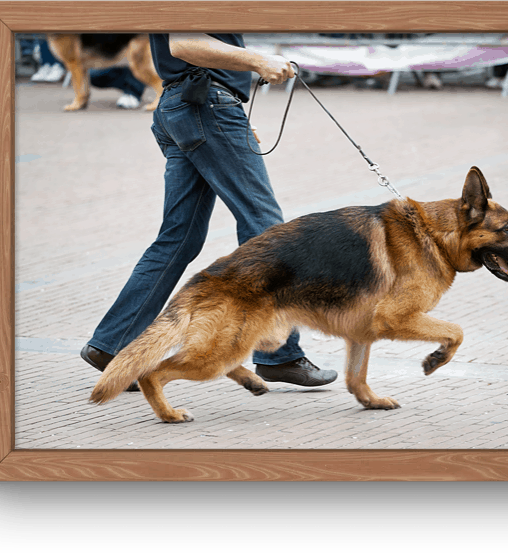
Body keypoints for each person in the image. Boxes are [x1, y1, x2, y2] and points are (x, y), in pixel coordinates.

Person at [81, 33, 337, 390]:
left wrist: (230, 113)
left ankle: (112, 345)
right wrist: (257, 60)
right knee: (266, 229)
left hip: (187, 106)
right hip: (204, 104)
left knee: (178, 240)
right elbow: (183, 44)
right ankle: (280, 355)